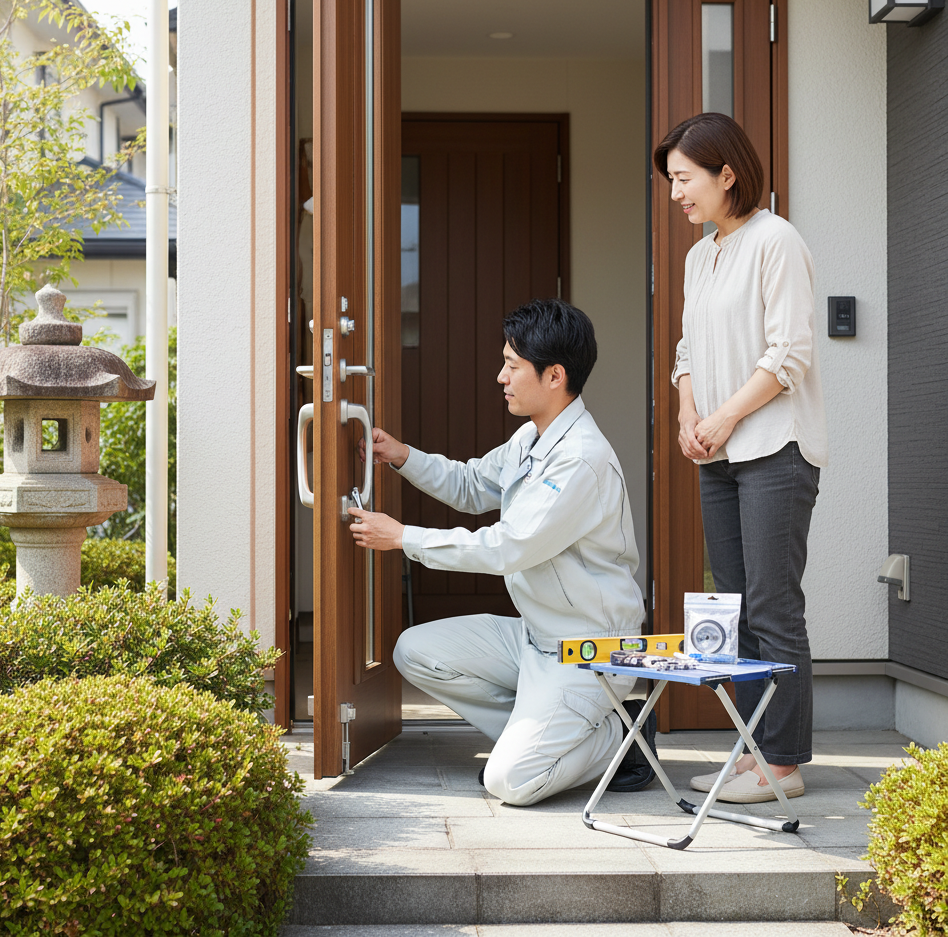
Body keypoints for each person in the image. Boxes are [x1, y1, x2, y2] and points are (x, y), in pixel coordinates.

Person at [347, 298, 653, 807]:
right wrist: (401, 456)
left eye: (513, 365)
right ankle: (549, 730)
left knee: (511, 782)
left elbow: (508, 547)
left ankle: (621, 740)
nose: (500, 376)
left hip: (588, 653)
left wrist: (404, 537)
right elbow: (471, 484)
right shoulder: (532, 436)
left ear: (555, 376)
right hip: (535, 638)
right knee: (414, 651)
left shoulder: (580, 459)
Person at [655, 112, 827, 804]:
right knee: (735, 607)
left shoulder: (776, 241)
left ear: (728, 173)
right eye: (670, 182)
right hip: (720, 452)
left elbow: (789, 354)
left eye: (685, 179)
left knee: (772, 605)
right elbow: (689, 350)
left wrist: (722, 417)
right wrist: (686, 413)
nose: (676, 195)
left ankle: (784, 765)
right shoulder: (703, 255)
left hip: (774, 447)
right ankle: (756, 753)